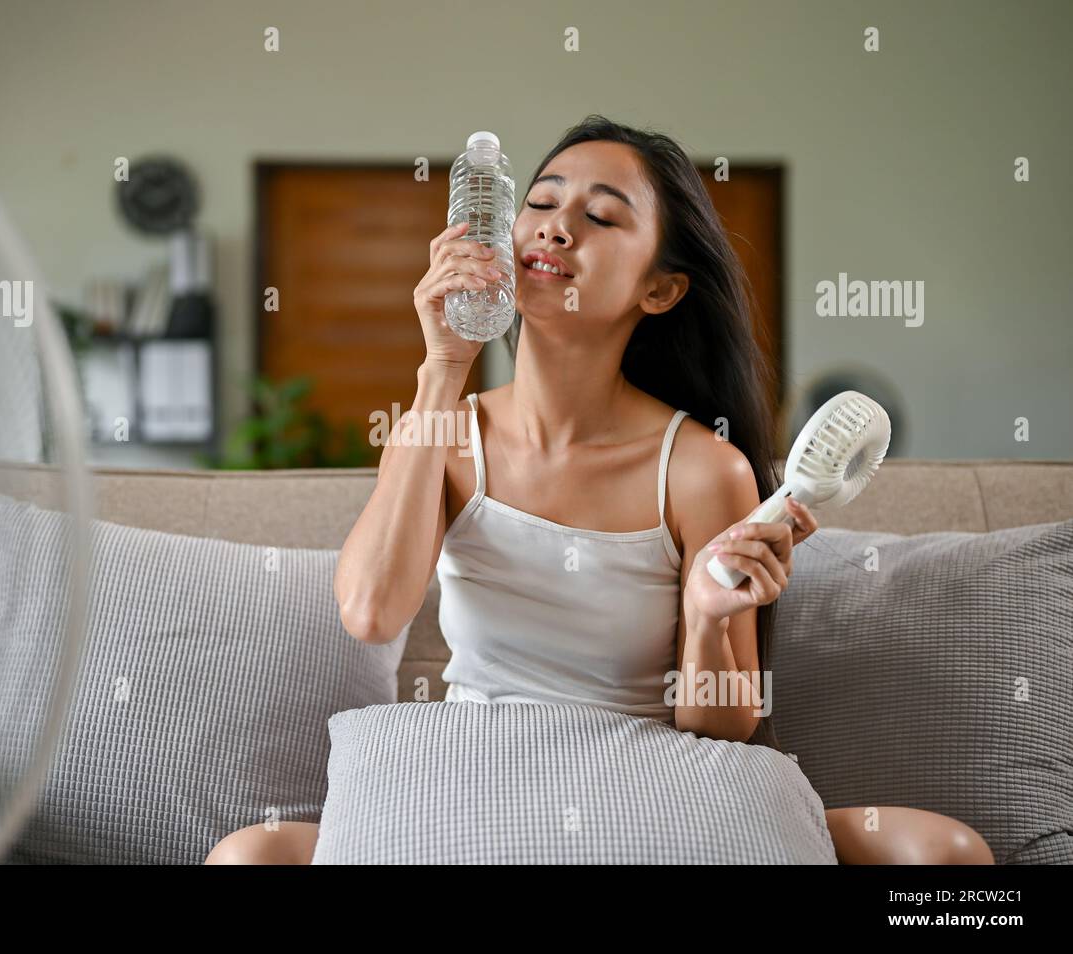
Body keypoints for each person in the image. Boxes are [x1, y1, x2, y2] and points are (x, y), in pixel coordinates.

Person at [206, 115, 993, 865]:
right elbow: (370, 612)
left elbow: (722, 726)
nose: (553, 226)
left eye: (602, 218)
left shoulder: (701, 467)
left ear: (661, 290)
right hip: (476, 773)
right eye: (541, 202)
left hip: (644, 785)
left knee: (942, 852)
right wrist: (442, 368)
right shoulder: (446, 429)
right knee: (249, 853)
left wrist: (708, 618)